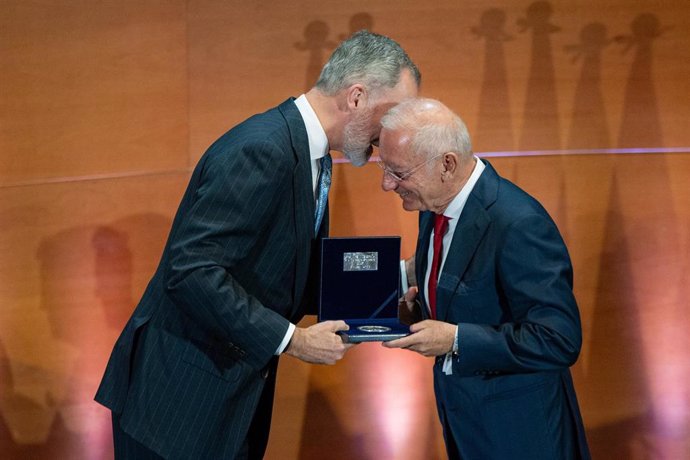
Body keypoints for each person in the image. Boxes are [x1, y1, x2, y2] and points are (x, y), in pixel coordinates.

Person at [95, 30, 420, 459]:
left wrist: (397, 278)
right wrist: (294, 341)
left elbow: (293, 274)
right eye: (392, 113)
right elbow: (191, 271)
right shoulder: (262, 149)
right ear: (356, 97)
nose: (394, 132)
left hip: (223, 402)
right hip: (176, 408)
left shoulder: (311, 153)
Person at [378, 98, 590, 460]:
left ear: (447, 164)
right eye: (384, 168)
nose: (386, 184)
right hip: (467, 426)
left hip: (523, 436)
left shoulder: (519, 222)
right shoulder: (434, 207)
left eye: (398, 172)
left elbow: (558, 339)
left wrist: (456, 339)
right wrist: (416, 312)